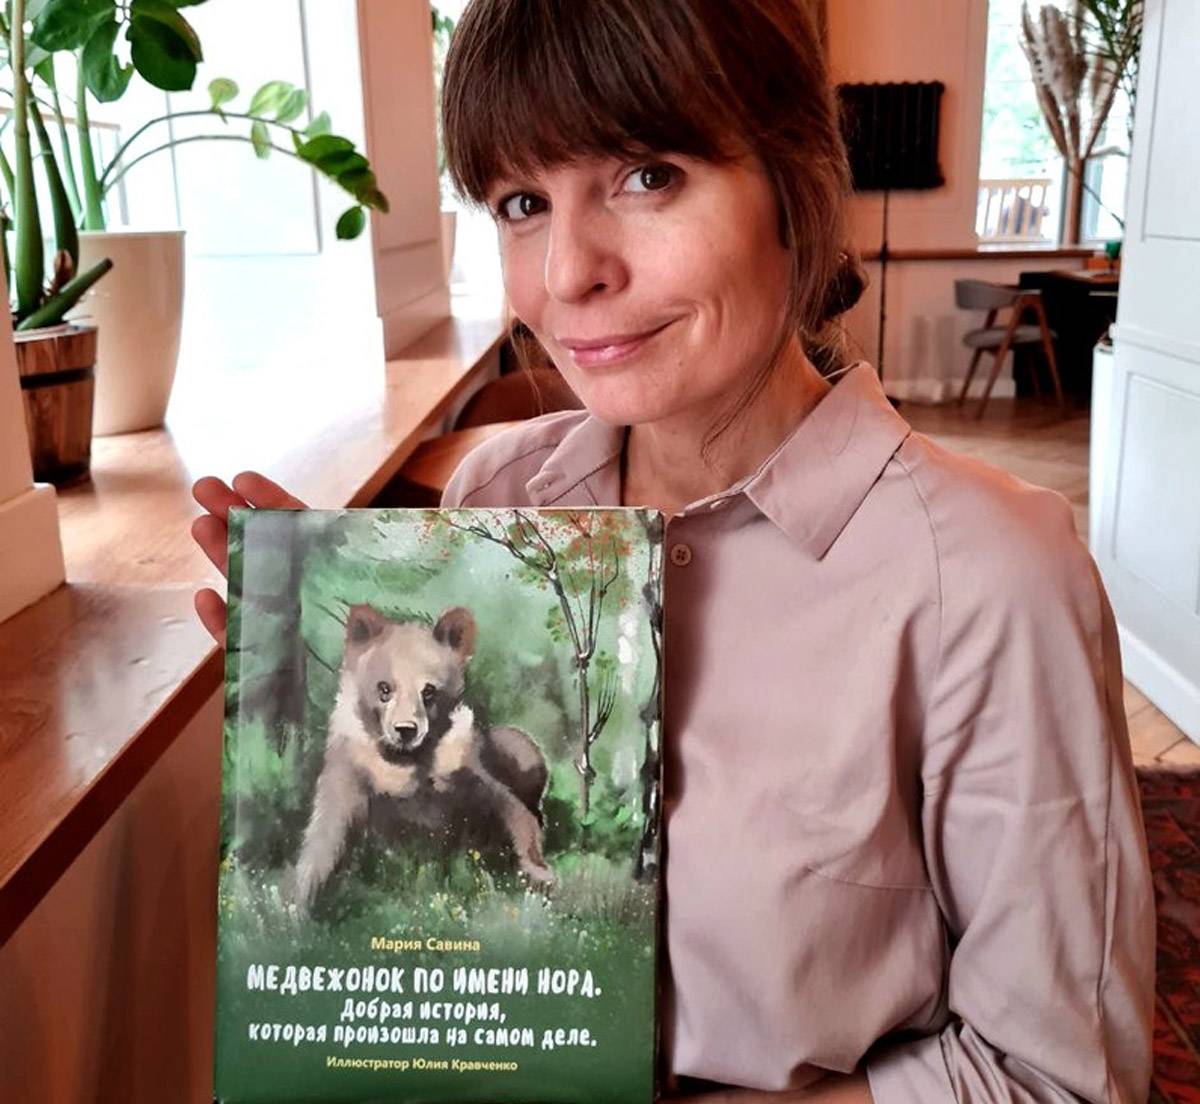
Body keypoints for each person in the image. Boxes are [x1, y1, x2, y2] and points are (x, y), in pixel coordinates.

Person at [190, 2, 1156, 1101]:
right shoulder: (496, 502)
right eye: (521, 203)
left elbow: (1055, 1078)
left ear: (795, 186)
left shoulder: (991, 576)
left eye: (647, 176)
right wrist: (301, 684)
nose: (569, 272)